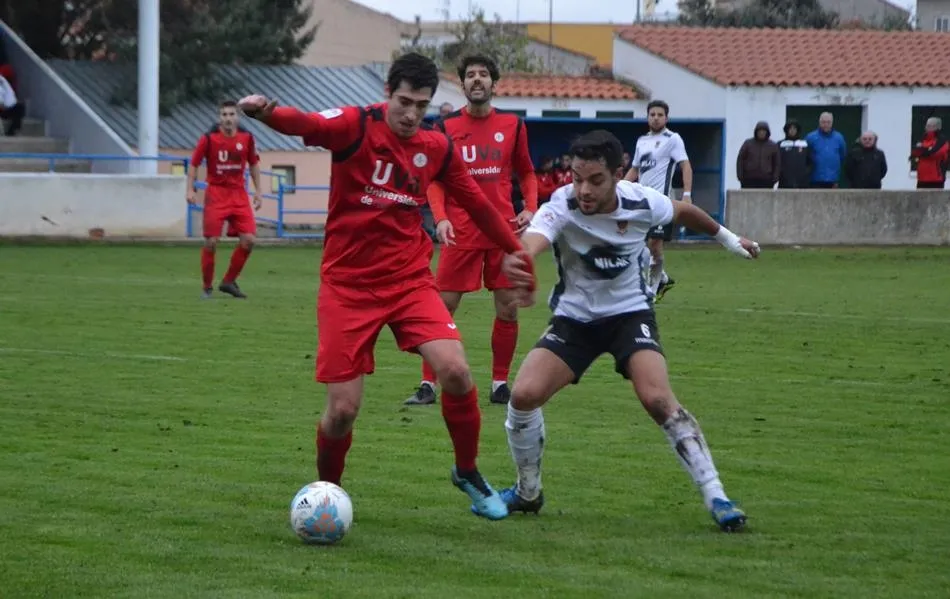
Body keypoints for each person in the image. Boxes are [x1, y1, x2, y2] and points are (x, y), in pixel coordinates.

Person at [237, 52, 536, 520]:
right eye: (404, 101)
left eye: (421, 105)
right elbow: (308, 125)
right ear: (387, 94)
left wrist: (515, 250)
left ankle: (467, 470)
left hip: (408, 280)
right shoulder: (356, 125)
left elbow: (476, 203)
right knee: (342, 412)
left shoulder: (436, 147)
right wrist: (267, 111)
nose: (411, 114)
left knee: (456, 371)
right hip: (347, 286)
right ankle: (327, 497)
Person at [497, 129, 758, 532]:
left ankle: (717, 495)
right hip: (574, 320)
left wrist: (728, 239)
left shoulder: (642, 202)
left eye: (595, 180)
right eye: (576, 177)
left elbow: (685, 213)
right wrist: (521, 260)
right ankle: (528, 493)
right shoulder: (562, 204)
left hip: (629, 314)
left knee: (657, 398)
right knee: (524, 395)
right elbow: (535, 237)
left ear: (619, 174)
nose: (583, 189)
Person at [405, 54, 538, 407]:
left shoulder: (513, 125)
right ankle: (427, 384)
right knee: (439, 309)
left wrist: (530, 207)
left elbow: (526, 171)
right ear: (462, 84)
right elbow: (434, 180)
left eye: (483, 74)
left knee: (508, 309)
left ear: (494, 83)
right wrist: (441, 217)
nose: (477, 80)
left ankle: (499, 384)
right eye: (470, 75)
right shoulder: (446, 128)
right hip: (459, 233)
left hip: (502, 232)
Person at [186, 100, 262, 299]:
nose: (228, 119)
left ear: (237, 116)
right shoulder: (209, 138)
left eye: (231, 114)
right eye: (224, 115)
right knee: (211, 241)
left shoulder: (247, 138)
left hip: (238, 194)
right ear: (219, 118)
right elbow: (193, 164)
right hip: (216, 194)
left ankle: (228, 282)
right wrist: (190, 189)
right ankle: (207, 287)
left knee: (249, 240)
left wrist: (259, 191)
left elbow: (253, 164)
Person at [624, 100, 693, 302]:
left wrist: (687, 194)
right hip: (641, 202)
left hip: (662, 202)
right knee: (636, 244)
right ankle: (661, 278)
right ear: (647, 117)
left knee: (655, 244)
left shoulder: (673, 139)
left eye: (660, 115)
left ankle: (651, 292)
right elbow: (635, 169)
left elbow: (685, 166)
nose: (655, 118)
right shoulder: (641, 141)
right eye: (652, 114)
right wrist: (618, 188)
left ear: (666, 118)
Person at [736, 121, 780, 189]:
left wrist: (775, 178)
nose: (762, 133)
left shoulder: (772, 145)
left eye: (764, 131)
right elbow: (740, 159)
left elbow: (777, 163)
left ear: (767, 132)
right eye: (760, 131)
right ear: (756, 132)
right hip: (749, 179)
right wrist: (740, 176)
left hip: (767, 180)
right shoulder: (748, 144)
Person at [910, 117, 948, 189]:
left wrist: (922, 150)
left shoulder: (942, 141)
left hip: (936, 180)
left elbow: (934, 153)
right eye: (927, 125)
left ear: (936, 127)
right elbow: (914, 153)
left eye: (929, 125)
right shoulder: (923, 139)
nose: (926, 128)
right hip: (921, 179)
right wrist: (926, 150)